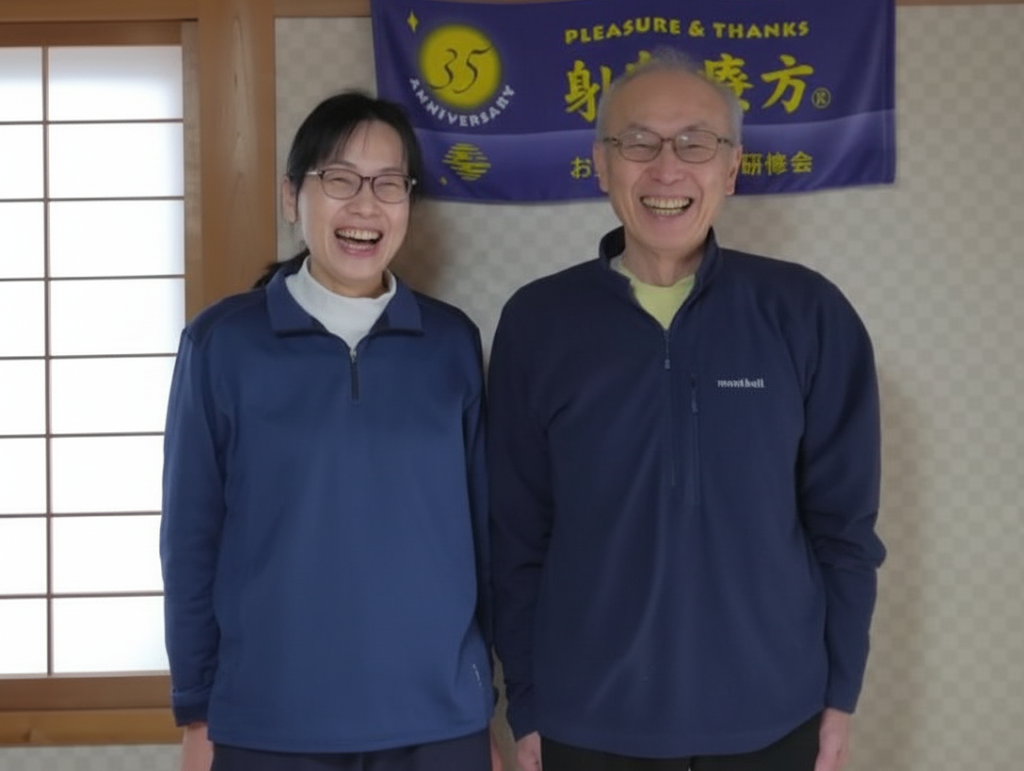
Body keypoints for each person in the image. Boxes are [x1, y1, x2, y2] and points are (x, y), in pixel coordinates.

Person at [488, 49, 885, 771]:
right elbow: (515, 537)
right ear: (601, 164)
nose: (666, 169)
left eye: (695, 143)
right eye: (638, 142)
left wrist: (840, 697)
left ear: (731, 168)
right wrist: (528, 701)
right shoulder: (537, 321)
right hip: (585, 720)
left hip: (775, 717)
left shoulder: (806, 312)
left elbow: (845, 531)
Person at [160, 91, 495, 771]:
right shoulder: (222, 342)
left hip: (437, 720)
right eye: (340, 179)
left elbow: (485, 533)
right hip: (269, 722)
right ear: (293, 197)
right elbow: (190, 537)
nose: (366, 205)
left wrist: (481, 706)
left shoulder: (451, 342)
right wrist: (196, 709)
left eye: (388, 184)